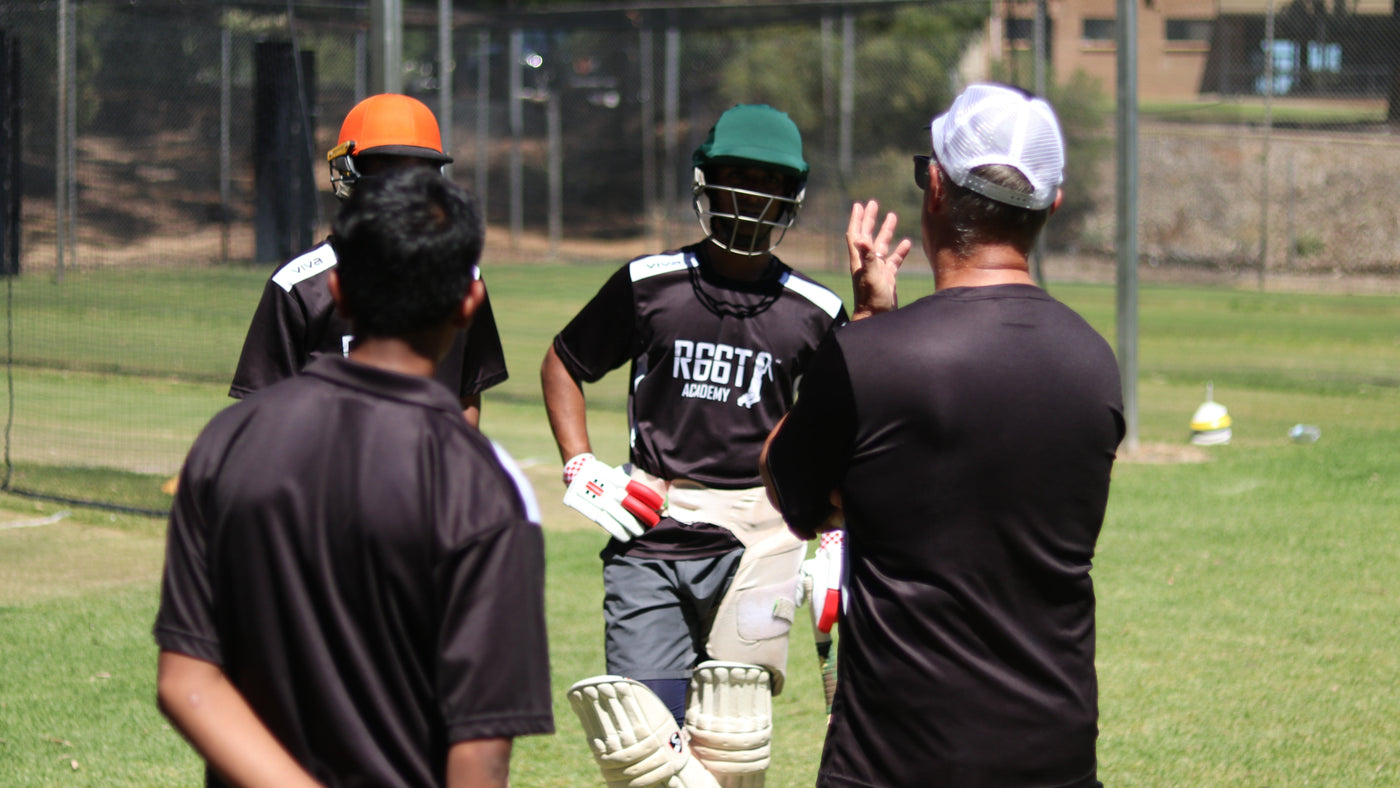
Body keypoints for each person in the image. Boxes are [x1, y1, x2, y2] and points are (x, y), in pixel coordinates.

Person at [761, 83, 1125, 788]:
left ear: (934, 186)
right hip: (1054, 756)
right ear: (1051, 206)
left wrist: (867, 323)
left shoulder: (872, 358)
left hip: (895, 762)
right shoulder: (1094, 363)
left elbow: (787, 484)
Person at [154, 167, 553, 788]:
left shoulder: (227, 443)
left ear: (337, 290)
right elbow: (481, 749)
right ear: (469, 304)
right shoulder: (484, 484)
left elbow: (185, 683)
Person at [543, 104, 846, 787]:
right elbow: (565, 363)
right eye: (736, 176)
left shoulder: (816, 312)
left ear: (792, 196)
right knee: (641, 746)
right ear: (705, 182)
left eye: (768, 180)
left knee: (732, 739)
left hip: (762, 535)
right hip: (653, 526)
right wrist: (580, 462)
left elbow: (847, 427)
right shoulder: (650, 285)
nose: (750, 195)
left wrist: (835, 532)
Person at [230, 93, 507, 426]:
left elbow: (465, 396)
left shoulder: (463, 279)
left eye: (419, 177)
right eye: (386, 173)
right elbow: (262, 411)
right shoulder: (299, 287)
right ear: (349, 175)